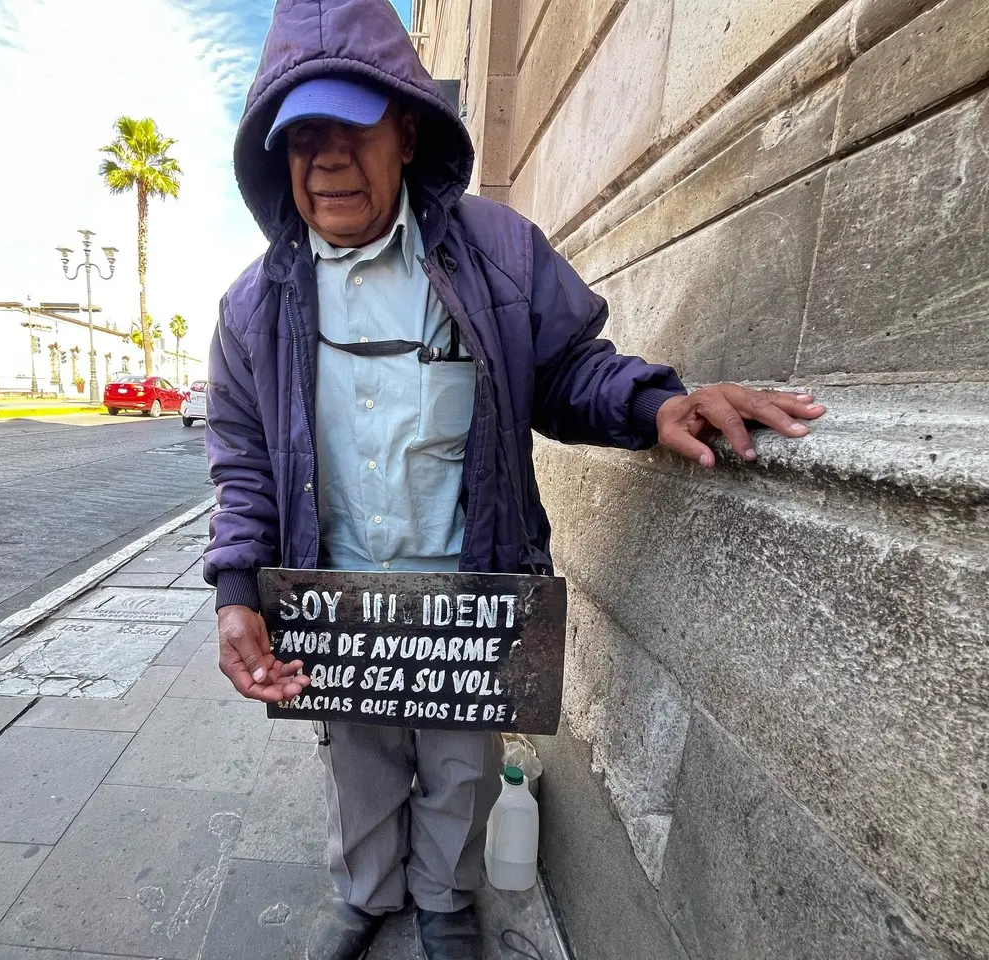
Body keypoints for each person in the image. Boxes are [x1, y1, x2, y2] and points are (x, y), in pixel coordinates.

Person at [204, 2, 825, 958]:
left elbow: (570, 366)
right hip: (336, 599)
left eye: (351, 126)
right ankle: (367, 897)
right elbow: (242, 458)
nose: (327, 158)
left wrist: (654, 405)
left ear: (406, 131)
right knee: (361, 765)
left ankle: (446, 901)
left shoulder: (498, 251)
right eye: (302, 135)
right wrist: (237, 589)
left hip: (473, 591)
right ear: (275, 155)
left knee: (460, 766)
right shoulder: (252, 308)